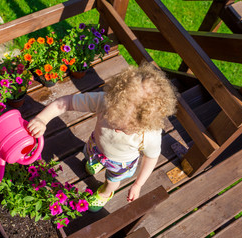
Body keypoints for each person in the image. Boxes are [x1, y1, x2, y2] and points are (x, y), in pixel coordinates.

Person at [27, 63, 178, 212]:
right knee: (91, 155)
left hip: (120, 164)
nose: (117, 131)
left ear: (147, 123)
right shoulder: (105, 101)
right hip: (97, 144)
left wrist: (138, 184)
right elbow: (66, 102)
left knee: (112, 181)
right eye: (113, 122)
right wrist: (42, 119)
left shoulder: (149, 134)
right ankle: (96, 162)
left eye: (125, 130)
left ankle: (105, 193)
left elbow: (151, 158)